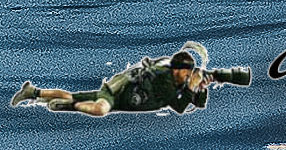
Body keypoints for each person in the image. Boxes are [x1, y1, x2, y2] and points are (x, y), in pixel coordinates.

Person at [11, 42, 250, 115]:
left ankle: (33, 92)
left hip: (124, 95)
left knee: (75, 96)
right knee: (100, 109)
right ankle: (64, 106)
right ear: (177, 70)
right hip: (118, 93)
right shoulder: (163, 77)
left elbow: (198, 104)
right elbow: (178, 106)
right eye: (186, 72)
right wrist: (192, 87)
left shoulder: (181, 78)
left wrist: (201, 86)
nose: (189, 76)